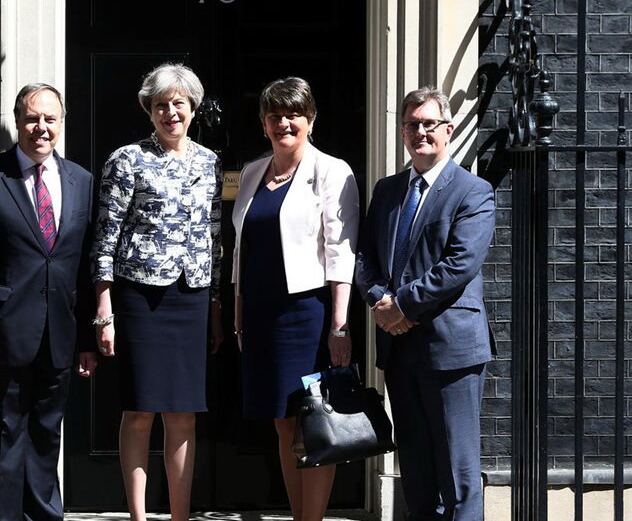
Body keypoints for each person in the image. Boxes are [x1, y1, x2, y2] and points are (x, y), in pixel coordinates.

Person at [0, 83, 98, 521]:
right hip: (1, 336)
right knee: (2, 439)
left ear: (61, 121)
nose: (41, 128)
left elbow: (85, 263)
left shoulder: (81, 181)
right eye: (33, 119)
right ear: (17, 122)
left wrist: (87, 339)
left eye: (50, 119)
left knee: (44, 438)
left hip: (59, 333)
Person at [356, 87, 496, 521]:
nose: (420, 132)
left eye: (429, 124)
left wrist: (402, 306)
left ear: (448, 130)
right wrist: (379, 299)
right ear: (402, 132)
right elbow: (365, 257)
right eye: (412, 124)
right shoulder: (388, 190)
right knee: (415, 470)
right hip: (400, 352)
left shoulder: (473, 191)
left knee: (457, 472)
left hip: (451, 349)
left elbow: (460, 264)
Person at [91, 63, 222, 521]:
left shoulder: (209, 161)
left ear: (192, 109)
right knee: (141, 409)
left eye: (179, 104)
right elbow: (105, 236)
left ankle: (180, 516)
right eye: (161, 105)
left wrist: (215, 305)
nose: (171, 113)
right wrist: (104, 309)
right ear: (149, 110)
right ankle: (139, 516)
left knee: (184, 412)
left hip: (191, 295)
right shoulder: (126, 159)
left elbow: (213, 234)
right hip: (140, 296)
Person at [232, 77, 359, 521]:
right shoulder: (252, 172)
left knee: (314, 422)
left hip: (307, 312)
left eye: (293, 114)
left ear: (310, 119)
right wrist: (241, 308)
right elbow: (243, 249)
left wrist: (339, 326)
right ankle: (297, 514)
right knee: (283, 422)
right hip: (262, 314)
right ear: (264, 122)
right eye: (274, 115)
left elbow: (341, 250)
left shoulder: (332, 170)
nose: (283, 123)